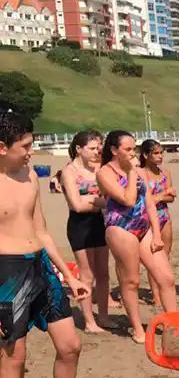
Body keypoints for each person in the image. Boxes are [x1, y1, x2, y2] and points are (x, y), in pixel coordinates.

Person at [0, 112, 99, 378]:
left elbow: (41, 228)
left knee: (70, 344)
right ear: (1, 147)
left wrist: (69, 275)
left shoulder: (28, 174)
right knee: (14, 354)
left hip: (40, 265)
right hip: (5, 272)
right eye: (25, 146)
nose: (32, 151)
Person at [97, 131, 177, 343]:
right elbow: (128, 200)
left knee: (166, 278)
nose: (133, 154)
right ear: (114, 150)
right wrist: (132, 174)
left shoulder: (137, 170)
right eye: (128, 149)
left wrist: (157, 234)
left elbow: (149, 202)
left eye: (135, 149)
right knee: (131, 279)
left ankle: (174, 325)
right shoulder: (105, 173)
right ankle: (137, 328)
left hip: (145, 228)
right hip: (121, 228)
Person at [60, 130, 113, 332]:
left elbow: (110, 198)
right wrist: (102, 203)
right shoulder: (70, 172)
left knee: (104, 273)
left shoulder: (99, 168)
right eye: (91, 148)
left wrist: (91, 200)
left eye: (98, 148)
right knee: (86, 275)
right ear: (79, 149)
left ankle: (105, 317)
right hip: (80, 226)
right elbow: (77, 205)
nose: (96, 152)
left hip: (100, 224)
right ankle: (90, 321)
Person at [138, 139, 176, 308]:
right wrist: (162, 195)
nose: (160, 156)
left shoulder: (165, 173)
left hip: (164, 216)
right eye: (156, 153)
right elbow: (146, 201)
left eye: (161, 153)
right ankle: (156, 296)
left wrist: (159, 196)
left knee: (164, 258)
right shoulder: (140, 173)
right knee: (152, 259)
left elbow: (171, 197)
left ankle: (163, 290)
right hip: (147, 218)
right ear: (146, 155)